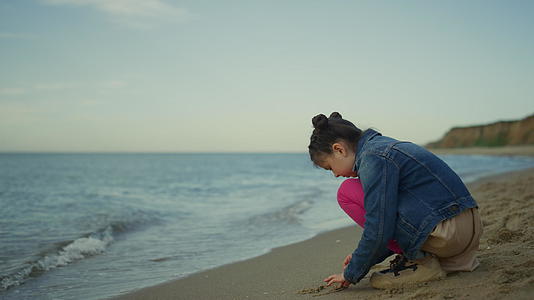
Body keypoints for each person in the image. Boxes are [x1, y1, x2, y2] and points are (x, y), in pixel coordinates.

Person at [308, 112, 483, 289]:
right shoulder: (382, 146)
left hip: (448, 234)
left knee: (347, 191)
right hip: (466, 228)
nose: (336, 174)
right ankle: (424, 256)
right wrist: (365, 257)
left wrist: (352, 272)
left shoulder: (373, 157)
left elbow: (380, 226)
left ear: (339, 149)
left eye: (330, 167)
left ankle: (421, 262)